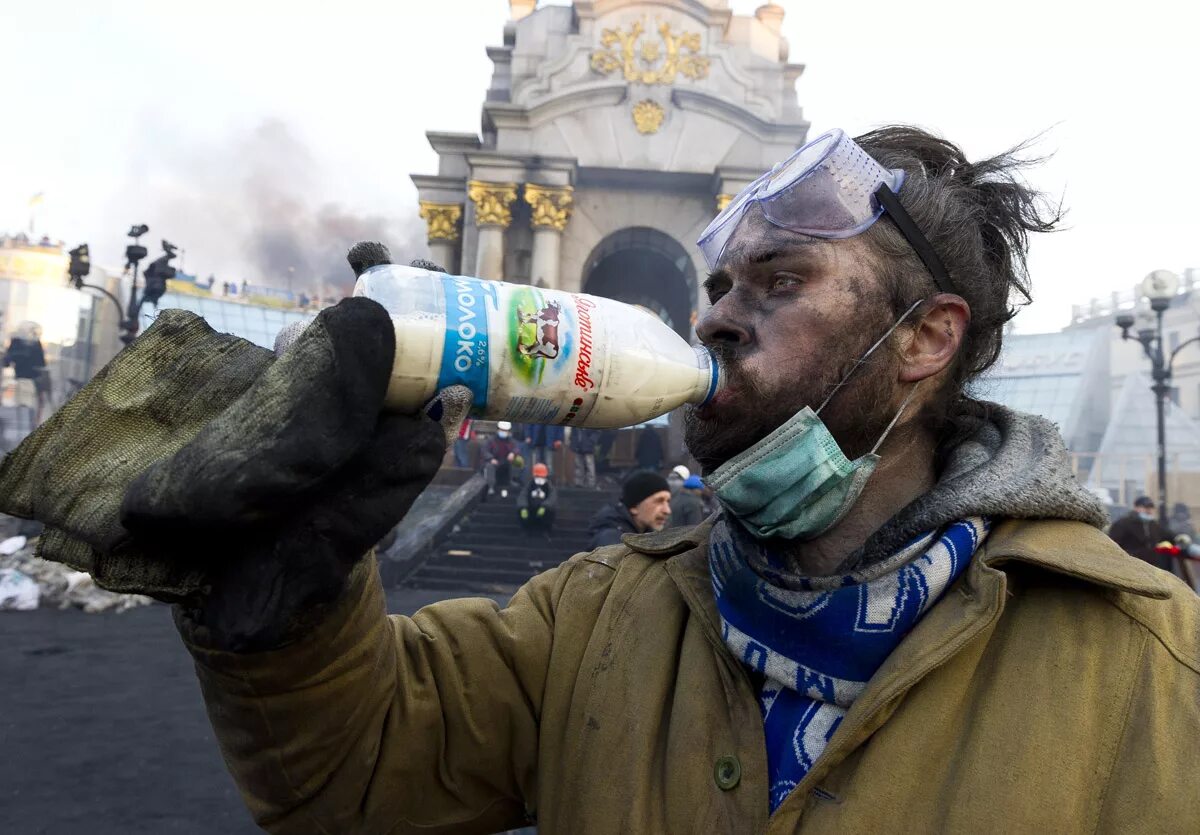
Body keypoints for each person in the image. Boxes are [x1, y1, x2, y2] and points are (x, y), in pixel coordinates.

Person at [16, 130, 1200, 831]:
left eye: (780, 281)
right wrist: (292, 611)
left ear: (925, 338)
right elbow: (357, 772)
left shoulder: (1154, 676)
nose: (721, 315)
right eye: (721, 285)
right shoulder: (596, 616)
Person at [586, 470, 672, 549]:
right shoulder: (612, 543)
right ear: (634, 506)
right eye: (659, 501)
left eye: (668, 501)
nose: (667, 510)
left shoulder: (642, 535)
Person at [1109, 496, 1173, 571]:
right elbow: (1113, 544)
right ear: (1136, 508)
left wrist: (1180, 538)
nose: (1149, 511)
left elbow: (1166, 535)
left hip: (1151, 567)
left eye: (1151, 508)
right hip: (1130, 567)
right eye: (1145, 507)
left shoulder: (1153, 524)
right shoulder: (1123, 524)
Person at [3, 321, 46, 434]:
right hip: (24, 379)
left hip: (31, 380)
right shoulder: (17, 342)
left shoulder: (35, 344)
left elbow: (41, 364)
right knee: (23, 407)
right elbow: (7, 361)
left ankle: (30, 428)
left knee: (28, 408)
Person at [517, 463, 557, 533]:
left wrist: (545, 506)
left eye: (541, 477)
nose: (539, 478)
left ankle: (545, 531)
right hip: (530, 509)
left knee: (550, 512)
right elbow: (523, 495)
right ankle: (526, 531)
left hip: (544, 510)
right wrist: (523, 507)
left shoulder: (549, 486)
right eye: (537, 476)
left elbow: (552, 497)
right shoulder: (529, 485)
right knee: (520, 513)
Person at [483, 420, 516, 498]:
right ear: (498, 430)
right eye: (502, 430)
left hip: (505, 462)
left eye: (505, 431)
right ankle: (491, 487)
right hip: (494, 462)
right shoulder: (491, 440)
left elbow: (516, 448)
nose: (504, 432)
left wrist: (513, 453)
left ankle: (511, 480)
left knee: (517, 461)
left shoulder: (510, 440)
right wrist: (491, 458)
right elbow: (485, 451)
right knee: (489, 466)